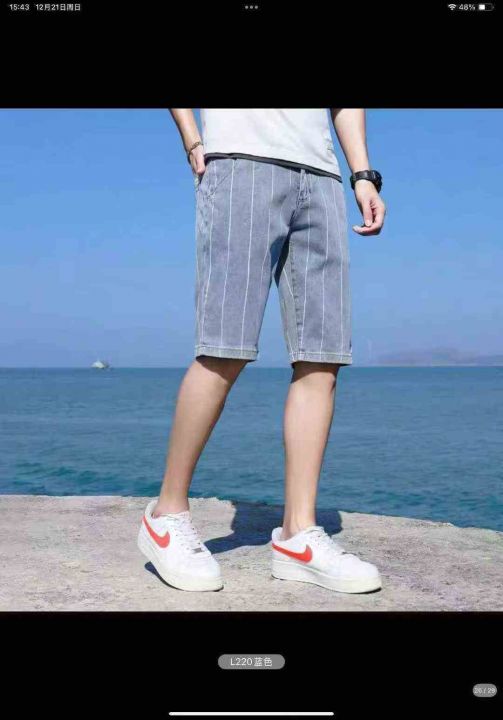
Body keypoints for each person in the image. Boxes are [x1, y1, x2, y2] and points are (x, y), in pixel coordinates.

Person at [137, 109, 386, 593]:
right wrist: (191, 138)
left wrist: (362, 175)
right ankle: (166, 514)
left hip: (322, 176)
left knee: (322, 357)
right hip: (240, 163)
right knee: (223, 347)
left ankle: (298, 534)